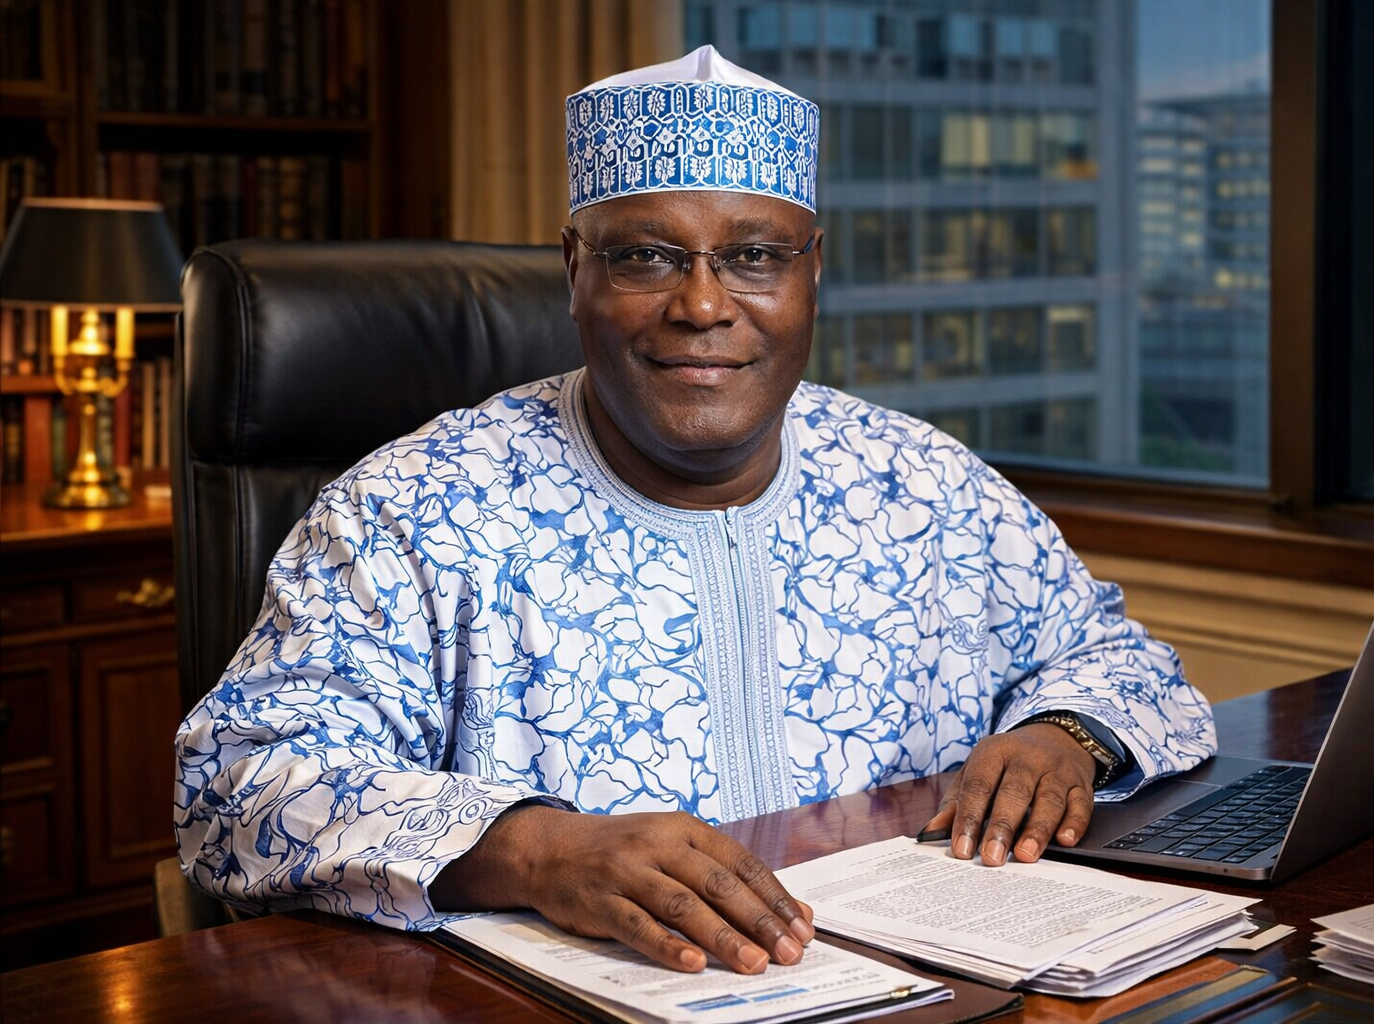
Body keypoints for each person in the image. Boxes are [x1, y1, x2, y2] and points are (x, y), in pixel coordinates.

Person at [174, 45, 1215, 977]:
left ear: (812, 272)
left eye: (755, 257)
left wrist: (1061, 734)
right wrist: (536, 849)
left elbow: (1117, 658)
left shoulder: (924, 482)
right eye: (646, 256)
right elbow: (236, 783)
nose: (705, 305)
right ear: (575, 271)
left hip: (922, 988)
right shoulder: (411, 511)